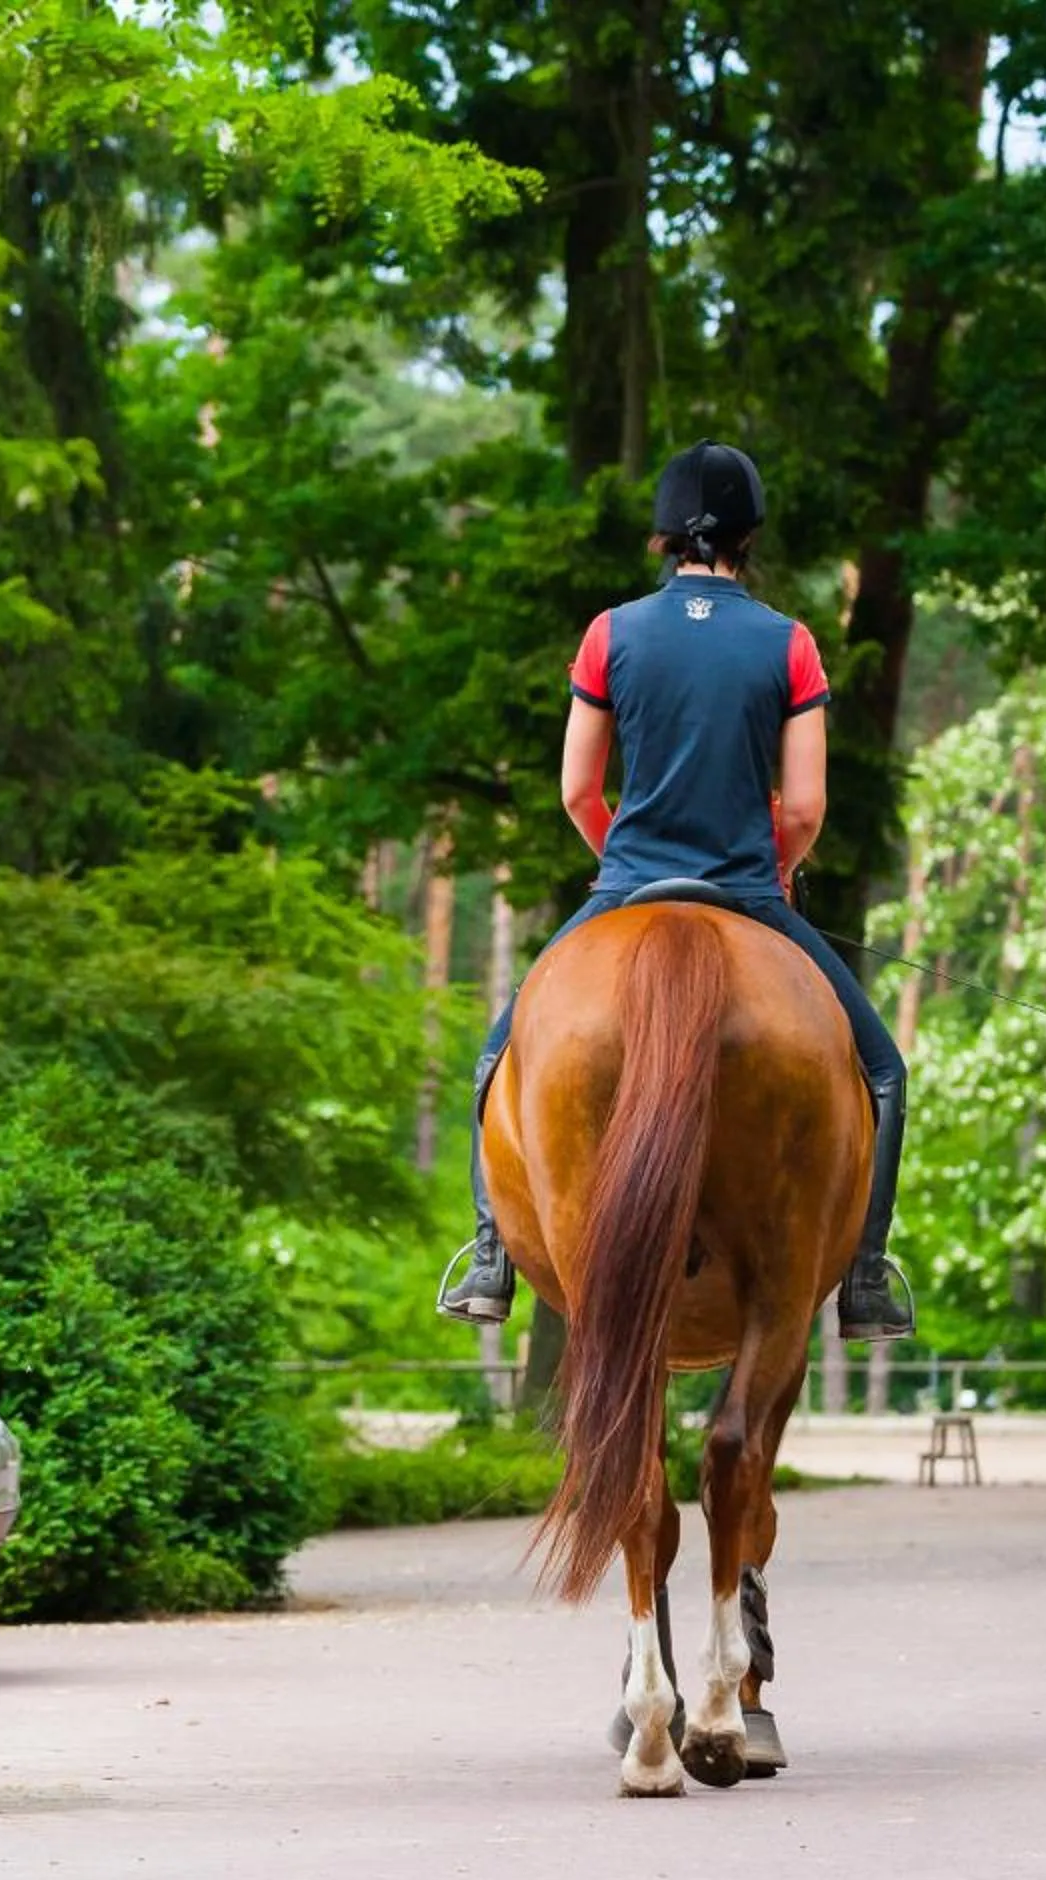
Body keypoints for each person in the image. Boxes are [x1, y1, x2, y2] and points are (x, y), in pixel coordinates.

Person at [435, 439, 915, 1338]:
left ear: (664, 536)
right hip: (750, 894)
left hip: (627, 888)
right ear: (749, 536)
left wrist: (623, 858)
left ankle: (492, 1254)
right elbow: (805, 807)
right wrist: (770, 866)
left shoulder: (610, 634)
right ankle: (865, 1276)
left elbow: (578, 788)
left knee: (496, 1058)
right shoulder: (791, 644)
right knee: (883, 1072)